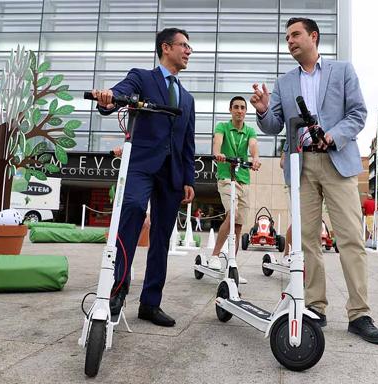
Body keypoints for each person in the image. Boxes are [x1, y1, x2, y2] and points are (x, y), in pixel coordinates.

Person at [250, 17, 378, 344]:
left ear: (314, 36)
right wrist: (263, 110)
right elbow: (273, 126)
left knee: (351, 238)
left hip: (338, 161)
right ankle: (314, 306)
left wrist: (332, 135)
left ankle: (360, 313)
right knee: (306, 240)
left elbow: (357, 114)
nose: (290, 41)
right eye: (287, 38)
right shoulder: (284, 82)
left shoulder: (343, 71)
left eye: (295, 35)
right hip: (302, 166)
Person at [92, 27, 195, 328]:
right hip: (140, 164)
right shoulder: (142, 77)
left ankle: (150, 304)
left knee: (162, 236)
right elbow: (120, 94)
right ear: (166, 48)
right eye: (184, 46)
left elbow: (188, 142)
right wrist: (108, 99)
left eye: (189, 47)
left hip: (172, 173)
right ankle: (118, 288)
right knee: (134, 209)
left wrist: (189, 178)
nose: (189, 51)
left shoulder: (187, 98)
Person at [208, 96, 261, 275]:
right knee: (232, 215)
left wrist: (255, 158)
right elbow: (217, 143)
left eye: (243, 108)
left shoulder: (249, 131)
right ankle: (214, 255)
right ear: (231, 110)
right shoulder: (222, 127)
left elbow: (253, 146)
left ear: (246, 111)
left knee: (238, 225)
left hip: (243, 179)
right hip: (226, 177)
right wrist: (218, 154)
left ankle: (232, 265)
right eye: (236, 107)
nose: (239, 110)